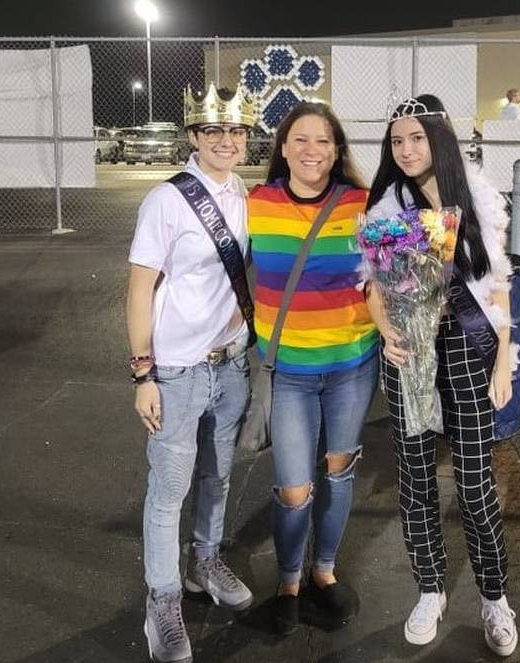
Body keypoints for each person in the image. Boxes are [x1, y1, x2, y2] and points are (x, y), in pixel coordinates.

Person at [365, 94, 519, 657]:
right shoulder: (387, 207)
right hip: (413, 355)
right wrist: (388, 334)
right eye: (397, 141)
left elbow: (496, 281)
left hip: (469, 350)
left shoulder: (475, 195)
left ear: (440, 139)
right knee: (417, 482)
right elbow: (375, 291)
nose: (406, 151)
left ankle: (494, 597)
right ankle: (430, 590)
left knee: (476, 488)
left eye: (417, 138)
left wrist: (504, 355)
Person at [126, 83, 257, 663]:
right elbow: (138, 290)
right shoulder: (166, 200)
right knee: (168, 492)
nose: (226, 141)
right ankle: (162, 601)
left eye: (236, 131)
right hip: (176, 372)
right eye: (213, 132)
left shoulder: (243, 193)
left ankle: (205, 563)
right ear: (193, 136)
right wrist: (142, 374)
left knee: (218, 477)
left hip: (229, 363)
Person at [247, 101, 379, 635]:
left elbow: (391, 278)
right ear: (282, 147)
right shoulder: (256, 204)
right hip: (289, 372)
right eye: (300, 140)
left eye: (323, 141)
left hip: (351, 365)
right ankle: (287, 582)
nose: (311, 151)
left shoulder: (364, 205)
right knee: (294, 489)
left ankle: (322, 572)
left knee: (339, 474)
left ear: (337, 150)